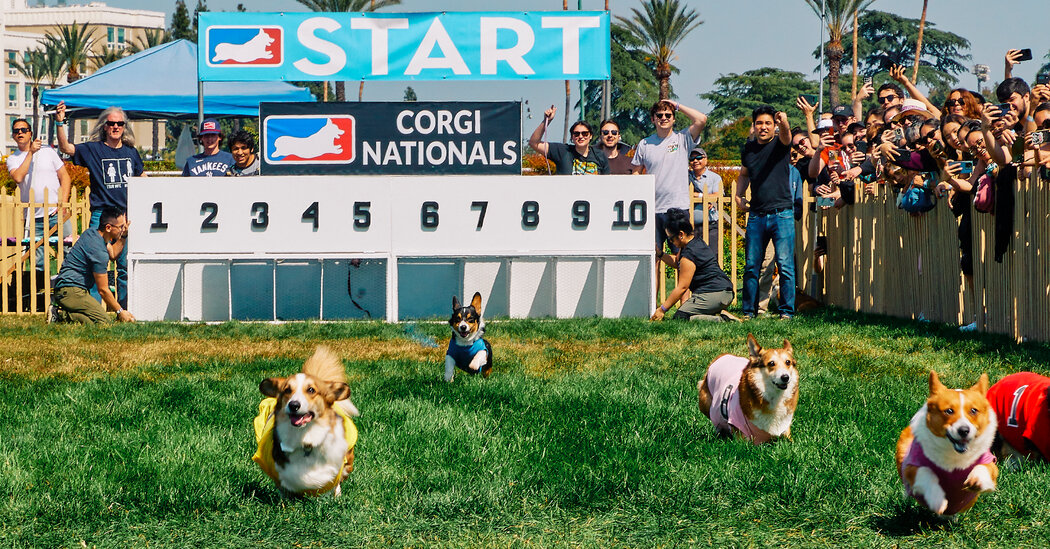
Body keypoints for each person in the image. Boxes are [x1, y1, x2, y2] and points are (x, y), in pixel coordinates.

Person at [55, 101, 143, 310]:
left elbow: (142, 177)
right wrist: (60, 123)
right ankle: (94, 309)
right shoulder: (93, 149)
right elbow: (66, 148)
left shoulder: (132, 152)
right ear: (104, 126)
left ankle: (124, 309)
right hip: (101, 216)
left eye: (120, 124)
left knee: (124, 266)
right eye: (111, 123)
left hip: (124, 216)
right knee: (97, 264)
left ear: (124, 127)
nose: (115, 127)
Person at [735, 105, 795, 320]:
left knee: (785, 265)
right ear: (754, 125)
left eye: (768, 123)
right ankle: (748, 312)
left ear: (774, 125)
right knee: (751, 265)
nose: (763, 127)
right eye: (759, 123)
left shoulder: (780, 144)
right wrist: (739, 194)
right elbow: (744, 174)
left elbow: (787, 136)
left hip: (782, 214)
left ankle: (786, 312)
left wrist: (784, 122)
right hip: (757, 215)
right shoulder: (749, 149)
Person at [631, 100, 707, 267]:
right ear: (653, 119)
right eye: (659, 115)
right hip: (653, 210)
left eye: (668, 115)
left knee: (683, 259)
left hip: (678, 208)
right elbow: (636, 172)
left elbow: (701, 119)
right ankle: (653, 294)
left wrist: (677, 105)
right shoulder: (645, 144)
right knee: (654, 260)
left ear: (673, 118)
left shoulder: (683, 139)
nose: (663, 118)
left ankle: (686, 295)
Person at [6, 118, 72, 270]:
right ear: (13, 136)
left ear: (30, 133)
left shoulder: (48, 152)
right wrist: (30, 153)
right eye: (16, 131)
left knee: (69, 249)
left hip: (56, 212)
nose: (20, 133)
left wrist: (63, 203)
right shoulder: (13, 159)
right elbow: (18, 177)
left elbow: (65, 177)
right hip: (33, 216)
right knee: (37, 257)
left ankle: (68, 285)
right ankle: (40, 289)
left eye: (24, 130)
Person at [50, 207, 135, 324]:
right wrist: (120, 311)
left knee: (97, 319)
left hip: (67, 289)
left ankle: (65, 313)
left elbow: (113, 253)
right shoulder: (98, 252)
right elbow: (103, 290)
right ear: (108, 228)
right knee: (103, 322)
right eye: (120, 227)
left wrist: (123, 236)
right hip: (70, 291)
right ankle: (60, 316)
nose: (122, 229)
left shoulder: (92, 233)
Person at [650, 208, 735, 322]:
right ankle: (717, 312)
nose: (671, 242)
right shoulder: (695, 242)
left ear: (681, 234)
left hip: (713, 293)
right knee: (684, 315)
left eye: (671, 239)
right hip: (723, 292)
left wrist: (662, 309)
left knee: (681, 318)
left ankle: (723, 319)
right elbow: (677, 262)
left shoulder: (689, 254)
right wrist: (660, 254)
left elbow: (682, 288)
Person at [528, 107, 609, 175]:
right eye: (576, 134)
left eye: (584, 133)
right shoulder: (562, 151)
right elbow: (534, 143)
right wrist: (546, 121)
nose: (580, 137)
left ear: (590, 136)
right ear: (572, 137)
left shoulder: (600, 156)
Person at [688, 146, 722, 245]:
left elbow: (718, 195)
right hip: (691, 227)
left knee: (712, 255)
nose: (695, 161)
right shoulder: (685, 177)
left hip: (711, 225)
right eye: (692, 159)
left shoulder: (715, 178)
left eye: (699, 158)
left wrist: (698, 195)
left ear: (706, 160)